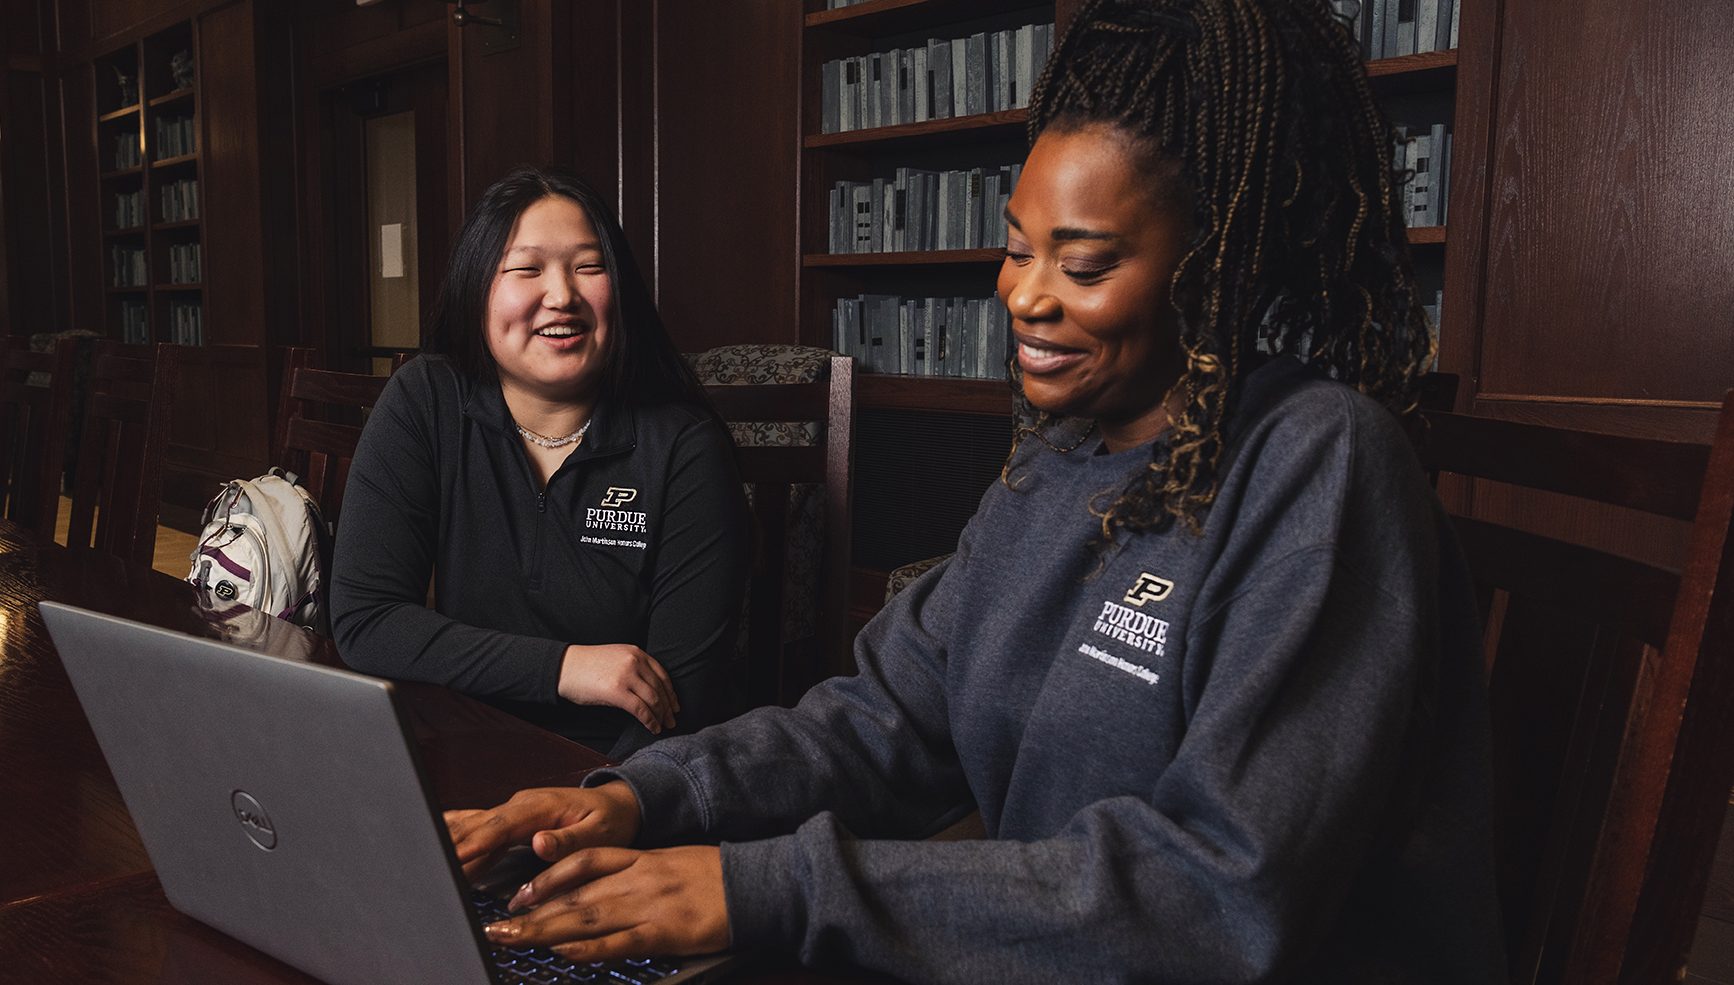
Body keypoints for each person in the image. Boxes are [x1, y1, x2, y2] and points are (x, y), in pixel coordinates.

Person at [443, 1, 1505, 981]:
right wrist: (645, 798)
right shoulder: (1054, 458)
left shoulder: (1322, 465)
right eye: (1014, 251)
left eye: (1082, 266)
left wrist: (768, 886)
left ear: (1215, 260)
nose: (1025, 297)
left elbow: (1217, 892)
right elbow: (881, 719)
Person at [330, 166, 750, 759]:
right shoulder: (426, 399)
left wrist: (599, 802)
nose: (562, 296)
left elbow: (680, 700)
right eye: (527, 269)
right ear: (478, 289)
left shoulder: (684, 448)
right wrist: (565, 668)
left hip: (615, 775)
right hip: (455, 746)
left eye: (588, 267)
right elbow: (366, 619)